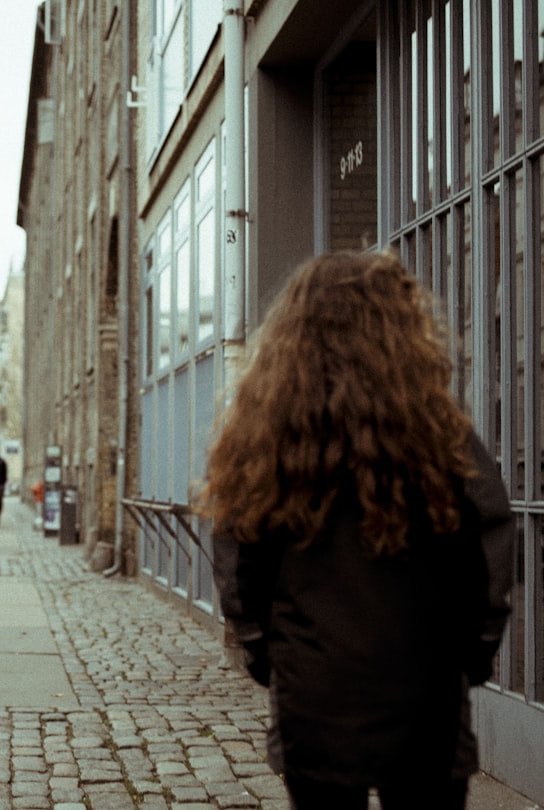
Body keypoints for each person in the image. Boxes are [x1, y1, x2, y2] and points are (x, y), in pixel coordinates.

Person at [195, 250, 515, 810]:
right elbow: (485, 543)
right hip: (426, 688)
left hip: (313, 693)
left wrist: (266, 653)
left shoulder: (267, 442)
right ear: (401, 330)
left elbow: (240, 560)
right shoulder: (439, 436)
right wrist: (475, 651)